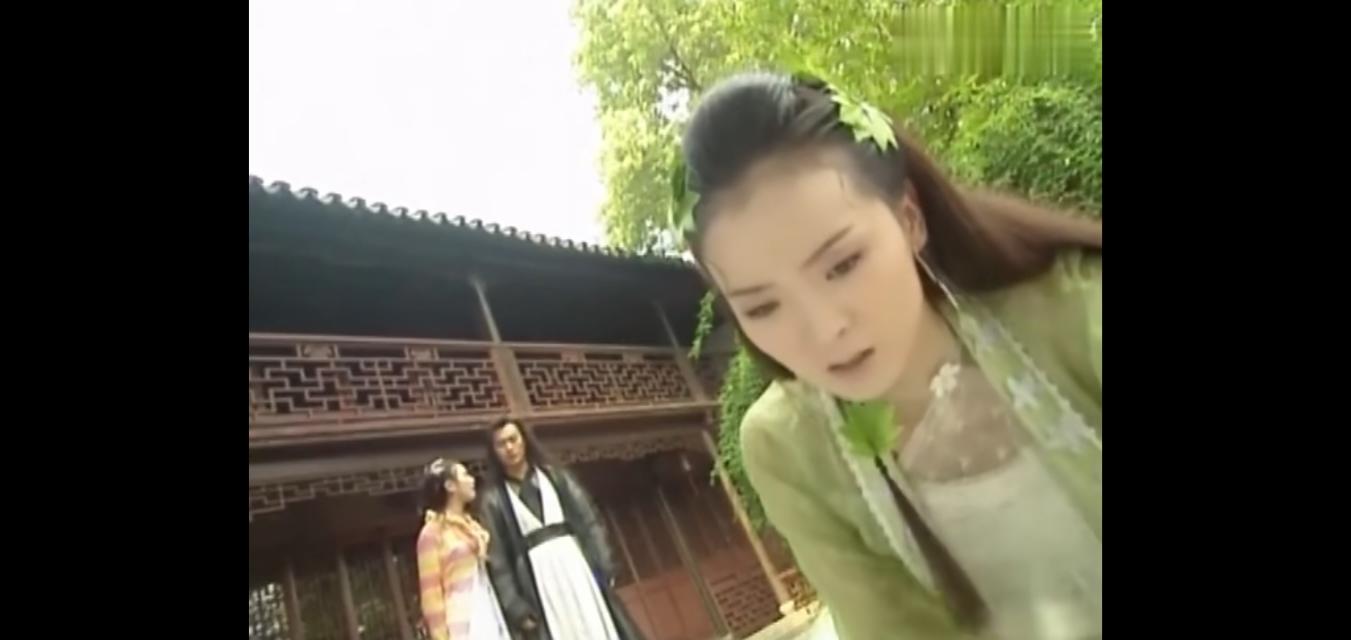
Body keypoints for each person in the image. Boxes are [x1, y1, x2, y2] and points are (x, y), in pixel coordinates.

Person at [677, 72, 1102, 640]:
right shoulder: (785, 447)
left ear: (909, 218)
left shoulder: (1073, 310)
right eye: (762, 307)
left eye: (843, 265)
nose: (824, 329)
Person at [476, 418, 643, 640]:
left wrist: (603, 563)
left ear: (524, 440)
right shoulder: (493, 499)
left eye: (513, 439)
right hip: (536, 580)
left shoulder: (556, 477)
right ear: (494, 452)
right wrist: (516, 606)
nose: (509, 448)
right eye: (501, 444)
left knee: (595, 622)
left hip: (577, 564)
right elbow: (498, 559)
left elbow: (588, 520)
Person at [416, 458, 511, 640]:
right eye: (465, 475)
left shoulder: (473, 526)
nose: (471, 480)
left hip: (488, 605)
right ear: (450, 485)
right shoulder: (432, 532)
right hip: (462, 619)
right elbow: (431, 595)